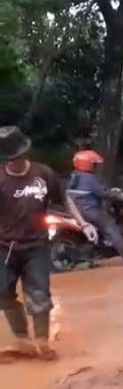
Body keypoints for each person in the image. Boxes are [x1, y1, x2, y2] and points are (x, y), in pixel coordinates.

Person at [0, 126, 98, 360]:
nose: (15, 162)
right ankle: (22, 340)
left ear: (25, 152)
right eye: (10, 158)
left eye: (18, 156)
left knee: (39, 295)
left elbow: (65, 200)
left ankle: (42, 342)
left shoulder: (42, 174)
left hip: (37, 247)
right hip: (5, 247)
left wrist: (83, 223)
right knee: (2, 293)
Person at [66, 150, 123, 265]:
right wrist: (117, 194)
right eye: (93, 163)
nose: (95, 166)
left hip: (76, 211)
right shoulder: (89, 178)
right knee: (111, 228)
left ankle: (95, 254)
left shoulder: (74, 176)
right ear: (87, 164)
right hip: (90, 211)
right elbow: (103, 192)